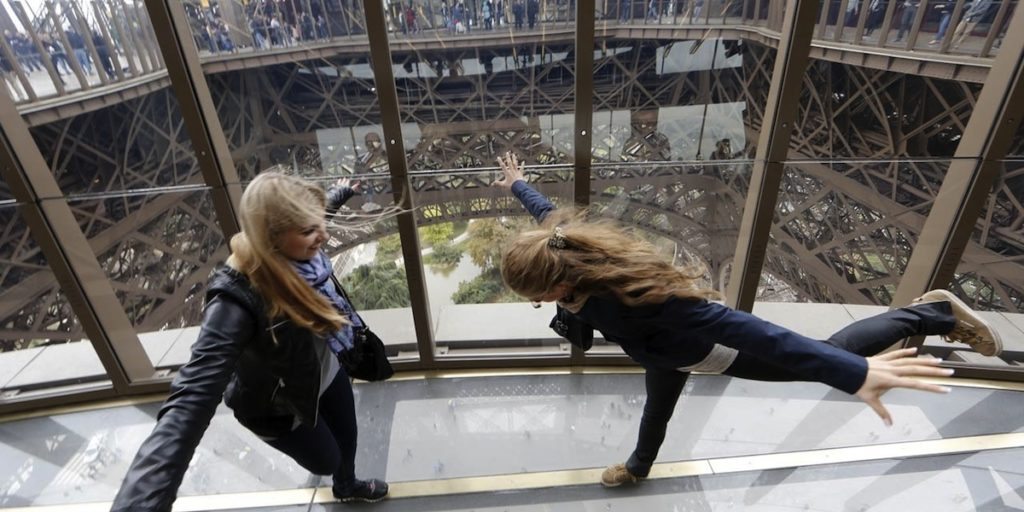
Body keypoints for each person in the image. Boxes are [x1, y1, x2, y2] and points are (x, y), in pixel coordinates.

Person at [492, 152, 1002, 487]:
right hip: (662, 352)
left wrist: (858, 375)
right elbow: (546, 214)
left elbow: (752, 332)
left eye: (538, 296)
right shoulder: (561, 250)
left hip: (704, 350)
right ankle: (639, 467)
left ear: (558, 284)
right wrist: (517, 182)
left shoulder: (640, 296)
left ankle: (929, 313)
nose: (538, 303)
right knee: (657, 412)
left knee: (832, 352)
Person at [111, 172, 389, 511]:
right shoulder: (237, 296)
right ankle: (337, 474)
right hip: (277, 406)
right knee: (327, 460)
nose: (323, 235)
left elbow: (311, 220)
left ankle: (346, 487)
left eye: (318, 224)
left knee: (348, 438)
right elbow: (191, 397)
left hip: (322, 371)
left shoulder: (301, 255)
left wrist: (342, 191)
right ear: (270, 238)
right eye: (308, 230)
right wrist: (141, 503)